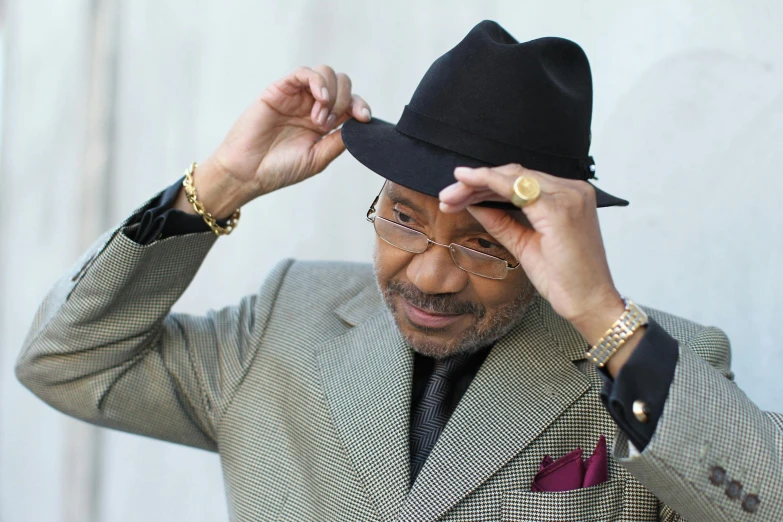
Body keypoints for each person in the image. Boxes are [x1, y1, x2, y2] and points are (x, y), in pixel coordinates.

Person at [16, 20, 782, 522]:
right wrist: (217, 187)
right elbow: (64, 362)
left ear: (551, 238)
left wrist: (598, 312)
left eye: (485, 243)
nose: (431, 275)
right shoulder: (284, 319)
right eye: (404, 218)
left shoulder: (654, 369)